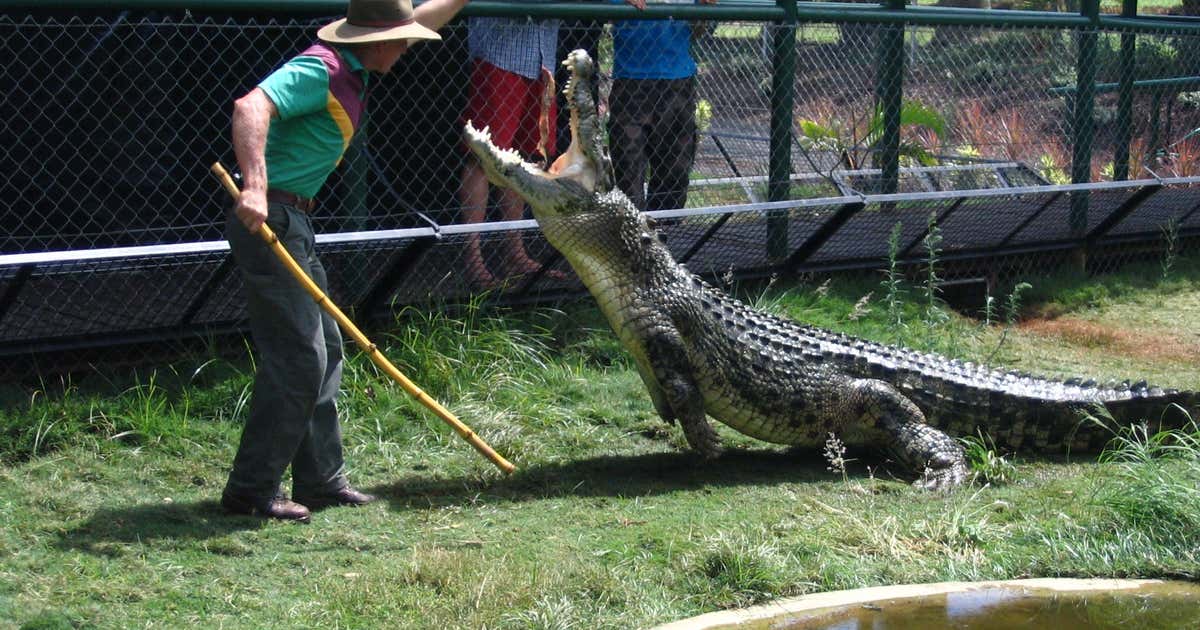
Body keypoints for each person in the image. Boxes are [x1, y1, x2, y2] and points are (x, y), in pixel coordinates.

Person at [221, 0, 469, 523]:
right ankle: (250, 491)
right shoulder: (322, 68)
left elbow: (420, 18)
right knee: (299, 357)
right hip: (272, 221)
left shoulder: (352, 66)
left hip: (296, 222)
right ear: (374, 39)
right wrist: (256, 188)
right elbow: (250, 107)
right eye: (401, 38)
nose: (408, 46)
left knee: (327, 348)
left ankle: (321, 480)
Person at [458, 12, 561, 289]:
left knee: (525, 158)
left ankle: (514, 253)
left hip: (543, 60)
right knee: (481, 157)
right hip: (499, 56)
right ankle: (473, 261)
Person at [608, 0, 716, 213]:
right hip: (631, 81)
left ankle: (666, 234)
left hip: (677, 81)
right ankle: (633, 234)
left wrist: (704, 11)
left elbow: (697, 31)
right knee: (627, 170)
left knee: (674, 173)